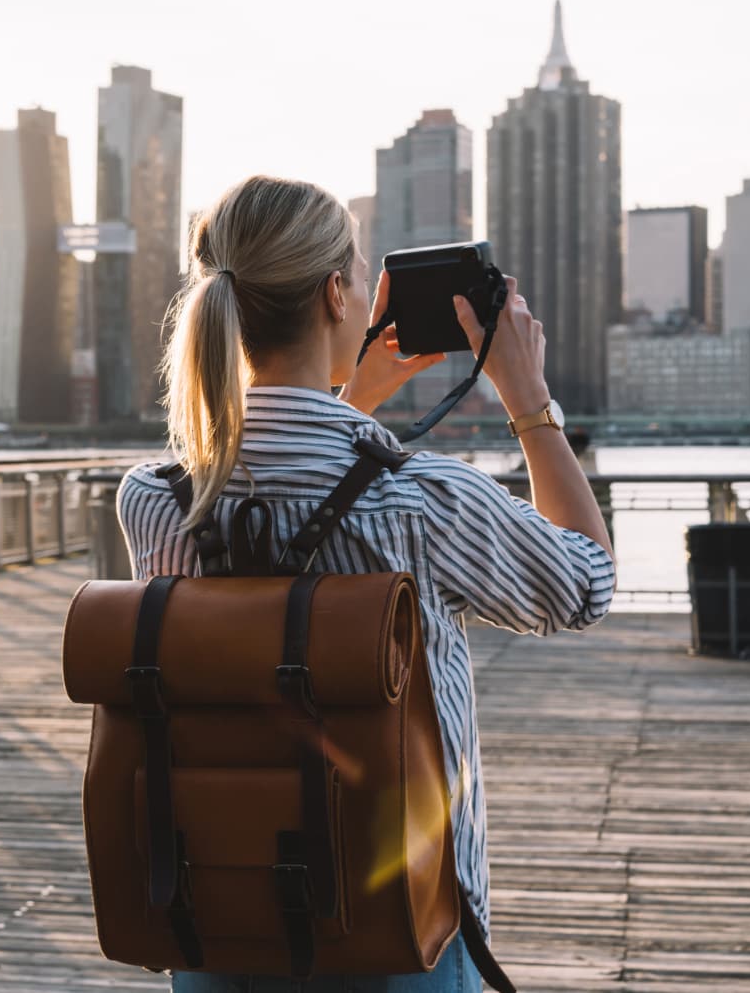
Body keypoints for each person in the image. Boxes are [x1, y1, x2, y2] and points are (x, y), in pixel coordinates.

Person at [116, 176, 616, 993]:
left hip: (217, 908)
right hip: (397, 926)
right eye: (354, 268)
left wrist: (349, 400)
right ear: (336, 294)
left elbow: (265, 555)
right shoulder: (422, 497)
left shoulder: (157, 499)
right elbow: (585, 584)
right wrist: (529, 400)